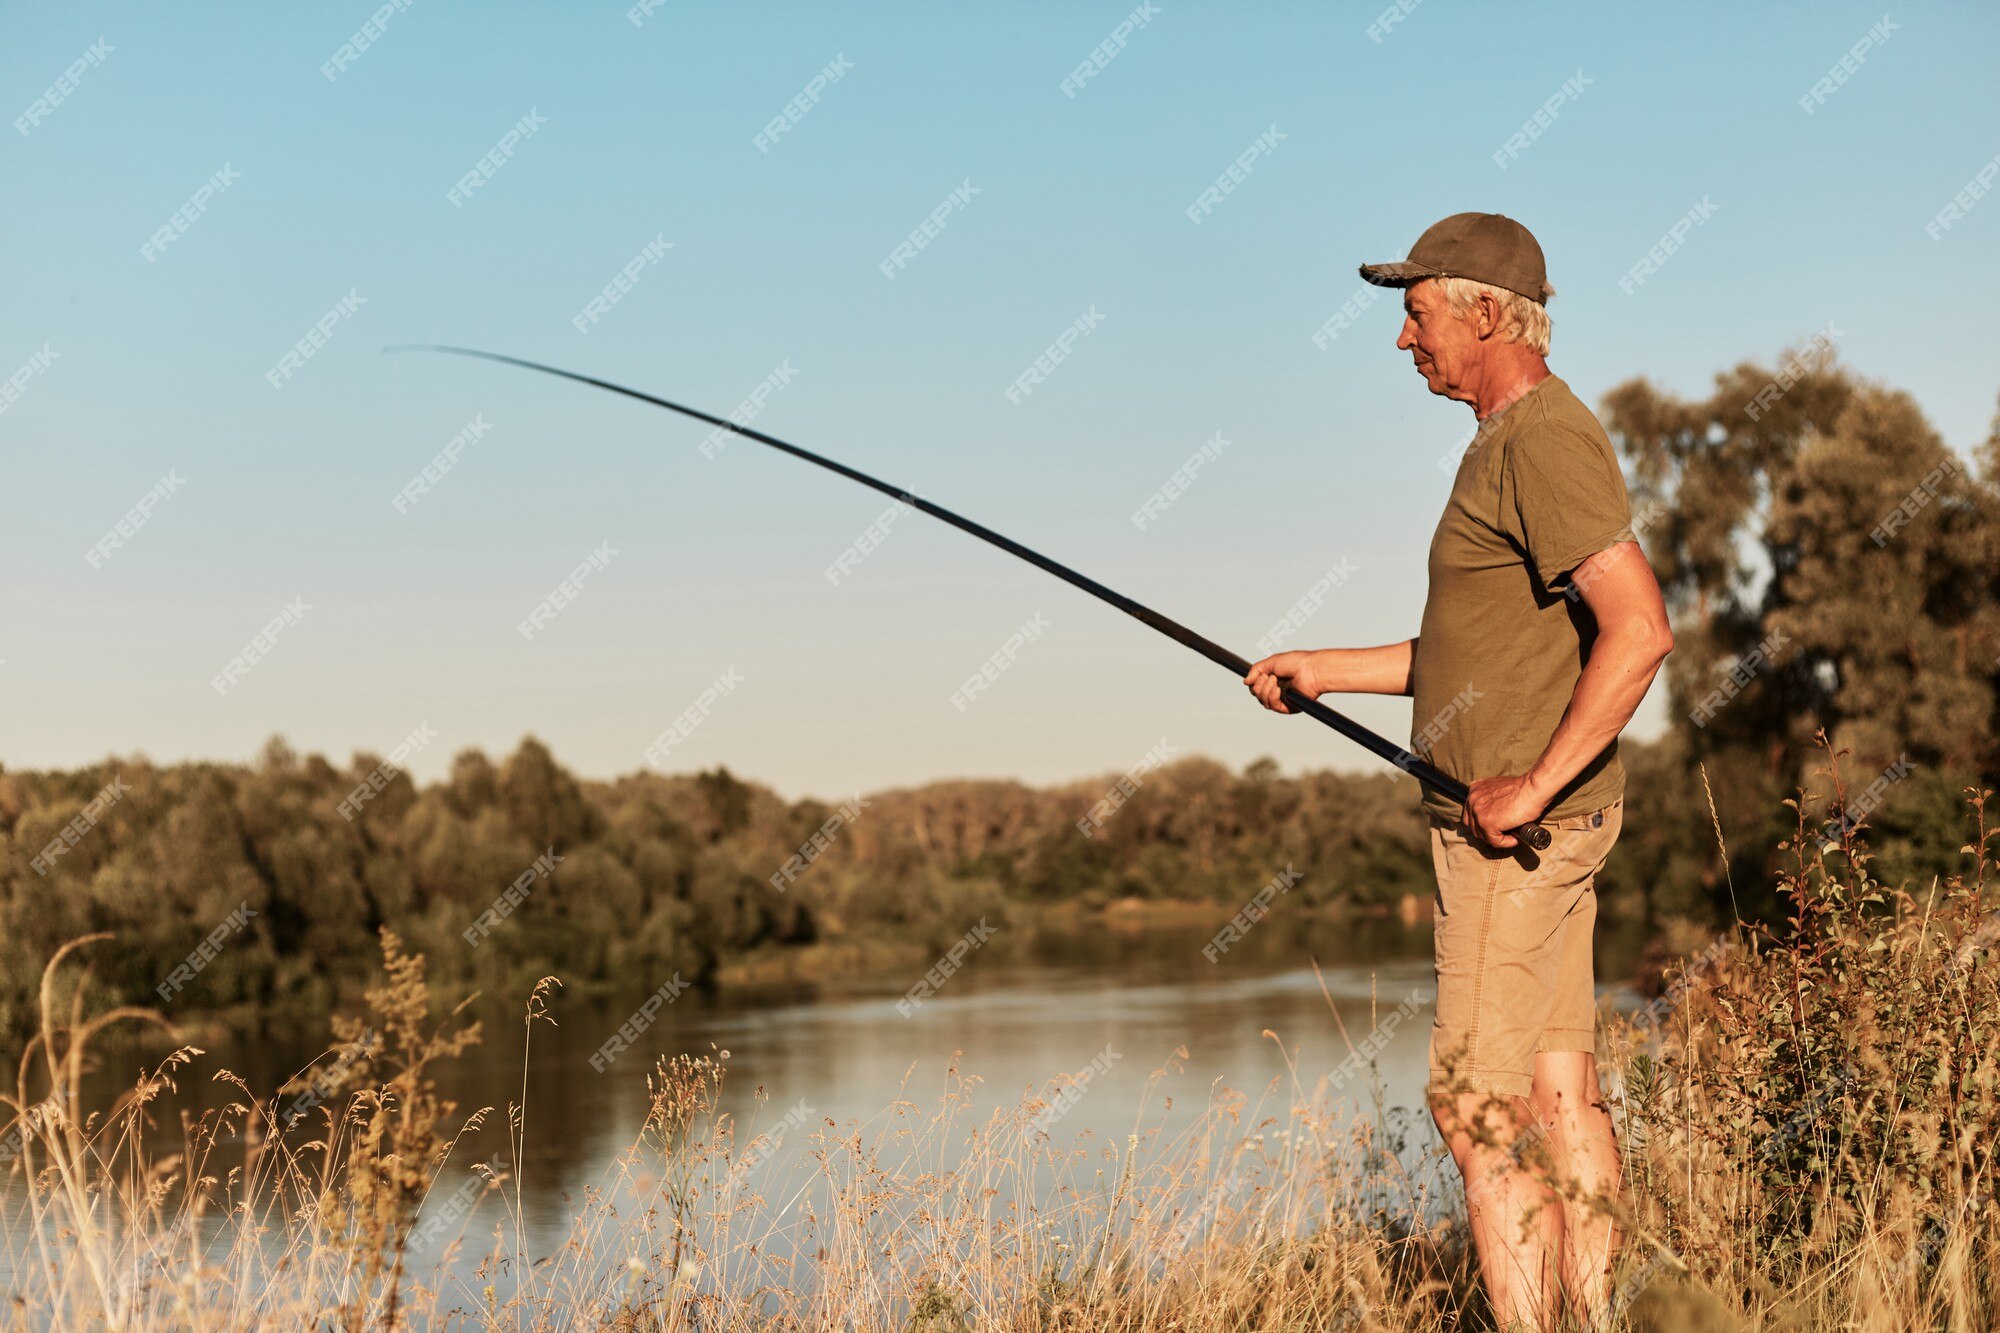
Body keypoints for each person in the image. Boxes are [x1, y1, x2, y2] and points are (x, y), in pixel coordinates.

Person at [1243, 212, 1674, 1331]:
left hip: (1513, 840)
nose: (1402, 338)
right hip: (1542, 826)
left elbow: (1636, 629)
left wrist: (1525, 790)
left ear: (1485, 312)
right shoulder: (1507, 441)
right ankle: (1604, 1315)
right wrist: (1321, 669)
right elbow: (1471, 656)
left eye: (1416, 310)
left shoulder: (1538, 439)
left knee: (1472, 1105)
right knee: (1555, 1086)